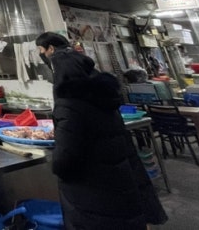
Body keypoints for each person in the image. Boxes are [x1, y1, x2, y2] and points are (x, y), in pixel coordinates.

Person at [36, 32, 167, 229]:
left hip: (91, 193)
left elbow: (66, 157)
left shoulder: (69, 103)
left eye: (41, 50)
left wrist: (57, 166)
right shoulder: (105, 98)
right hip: (120, 185)